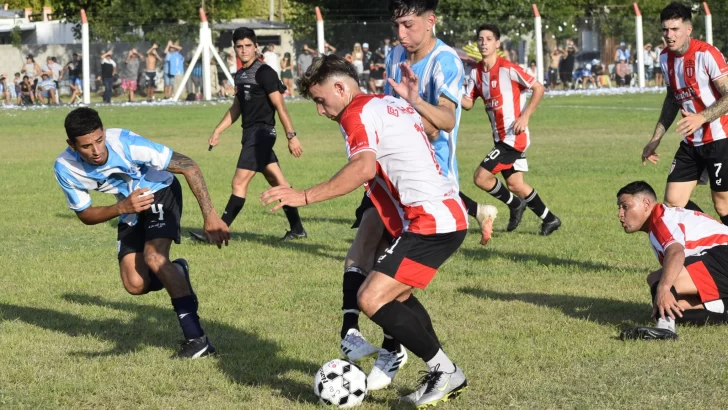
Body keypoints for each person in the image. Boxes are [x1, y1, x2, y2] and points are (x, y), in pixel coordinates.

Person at [265, 54, 469, 408]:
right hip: (435, 215)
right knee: (398, 297)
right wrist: (414, 102)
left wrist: (303, 196)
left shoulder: (356, 113)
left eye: (320, 100)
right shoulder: (386, 103)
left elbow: (362, 168)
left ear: (340, 88)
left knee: (371, 298)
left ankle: (445, 370)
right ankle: (440, 370)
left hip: (431, 220)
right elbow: (433, 131)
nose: (320, 110)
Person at [338, 0, 496, 396]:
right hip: (393, 179)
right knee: (367, 255)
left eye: (409, 26)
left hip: (429, 185)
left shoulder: (445, 61)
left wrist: (412, 102)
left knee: (383, 284)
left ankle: (399, 353)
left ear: (430, 21)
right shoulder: (395, 54)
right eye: (397, 27)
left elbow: (445, 120)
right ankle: (371, 339)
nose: (401, 35)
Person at [53, 107, 230, 357]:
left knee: (154, 258)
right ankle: (177, 272)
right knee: (135, 284)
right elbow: (85, 215)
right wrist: (122, 207)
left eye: (99, 140)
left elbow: (189, 166)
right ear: (71, 145)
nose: (96, 151)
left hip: (160, 188)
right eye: (86, 146)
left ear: (104, 132)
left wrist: (210, 215)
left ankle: (197, 340)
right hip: (128, 203)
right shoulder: (66, 168)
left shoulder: (127, 145)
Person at [196, 27, 307, 241]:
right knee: (279, 184)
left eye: (248, 45)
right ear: (235, 48)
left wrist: (291, 136)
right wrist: (218, 130)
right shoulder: (240, 75)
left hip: (261, 135)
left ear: (256, 46)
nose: (244, 50)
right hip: (250, 134)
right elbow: (237, 108)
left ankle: (218, 231)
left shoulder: (264, 72)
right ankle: (298, 229)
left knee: (238, 183)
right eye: (239, 46)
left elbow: (280, 106)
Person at [462, 23, 562, 236]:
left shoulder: (508, 69)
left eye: (489, 39)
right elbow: (468, 103)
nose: (484, 43)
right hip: (500, 138)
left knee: (480, 178)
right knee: (516, 184)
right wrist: (446, 90)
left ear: (497, 44)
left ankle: (515, 204)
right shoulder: (476, 73)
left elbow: (539, 88)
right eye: (481, 39)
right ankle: (550, 219)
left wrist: (524, 116)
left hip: (513, 137)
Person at [641, 2, 728, 224]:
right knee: (673, 202)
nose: (669, 35)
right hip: (692, 142)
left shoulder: (706, 54)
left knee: (722, 203)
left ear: (688, 29)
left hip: (720, 138)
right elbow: (672, 99)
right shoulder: (664, 57)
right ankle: (717, 234)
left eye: (675, 29)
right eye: (665, 29)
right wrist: (655, 138)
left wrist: (702, 117)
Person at [616, 181, 728, 340]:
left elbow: (676, 253)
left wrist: (664, 287)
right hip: (718, 257)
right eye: (619, 208)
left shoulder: (660, 218)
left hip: (723, 254)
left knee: (663, 283)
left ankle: (665, 328)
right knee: (668, 300)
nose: (620, 214)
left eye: (625, 206)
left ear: (646, 204)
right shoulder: (661, 220)